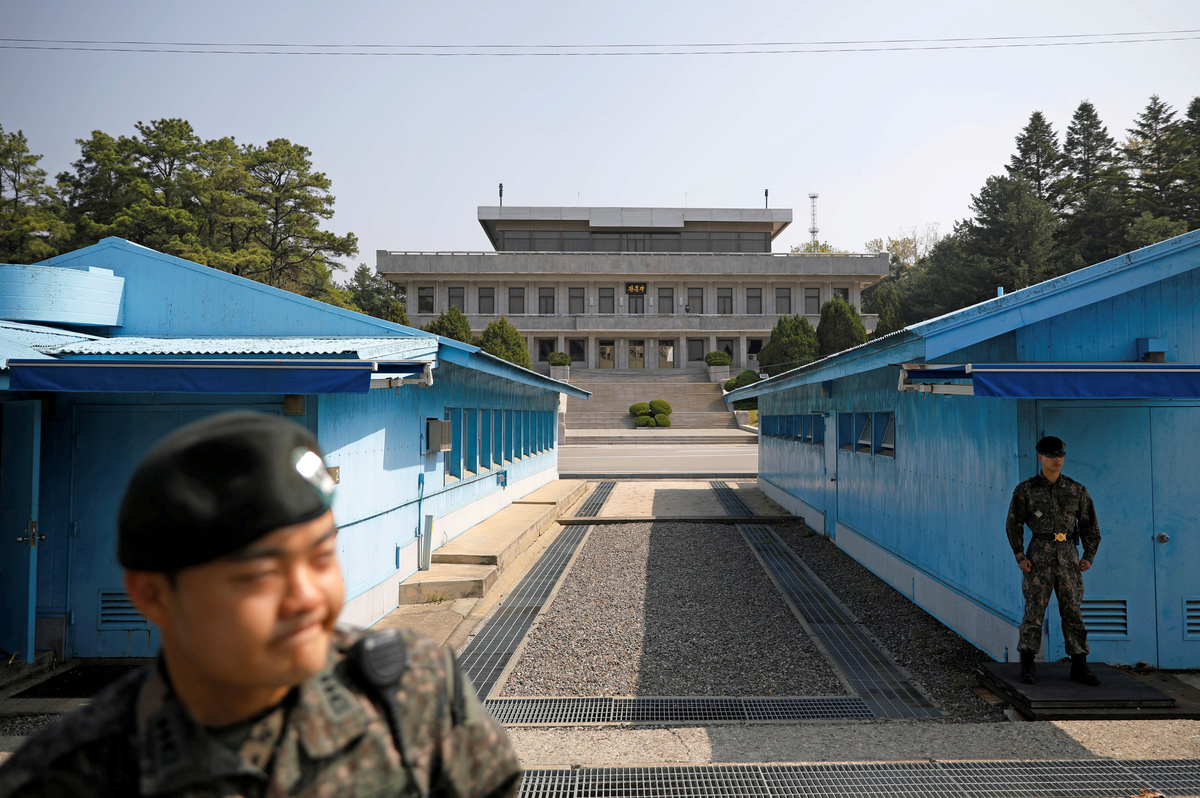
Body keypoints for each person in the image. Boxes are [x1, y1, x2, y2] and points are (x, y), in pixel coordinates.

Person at [0, 411, 522, 797]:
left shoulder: (414, 693)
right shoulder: (66, 778)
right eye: (260, 575)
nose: (307, 598)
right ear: (153, 594)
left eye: (321, 558)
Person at [1006, 435, 1101, 687]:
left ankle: (1079, 664)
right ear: (1040, 457)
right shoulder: (1026, 490)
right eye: (1051, 456)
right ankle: (1028, 663)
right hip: (1039, 557)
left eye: (1060, 455)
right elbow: (1013, 524)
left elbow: (1090, 525)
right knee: (1034, 610)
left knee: (1072, 611)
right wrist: (1020, 555)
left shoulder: (1076, 489)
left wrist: (1088, 555)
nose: (1057, 460)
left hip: (1068, 558)